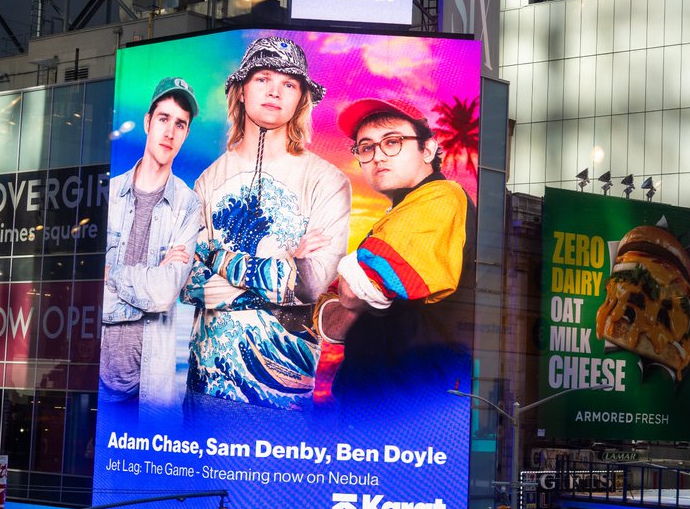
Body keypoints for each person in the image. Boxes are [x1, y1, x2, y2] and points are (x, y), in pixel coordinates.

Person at [181, 36, 351, 413]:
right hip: (204, 385)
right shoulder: (207, 181)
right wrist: (282, 264)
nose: (275, 91)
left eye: (288, 83)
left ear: (301, 98)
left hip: (283, 393)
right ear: (241, 91)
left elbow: (309, 285)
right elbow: (187, 281)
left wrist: (216, 259)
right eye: (263, 79)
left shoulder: (328, 180)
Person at [314, 97, 476, 403]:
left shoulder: (443, 195)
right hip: (365, 406)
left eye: (392, 142)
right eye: (366, 147)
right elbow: (329, 326)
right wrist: (354, 286)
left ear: (427, 150)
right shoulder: (392, 221)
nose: (377, 156)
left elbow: (357, 287)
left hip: (411, 409)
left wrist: (354, 289)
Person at [99, 77, 203, 404]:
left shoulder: (188, 204)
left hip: (149, 392)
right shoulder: (109, 195)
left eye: (180, 124)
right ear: (147, 122)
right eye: (163, 119)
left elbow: (163, 294)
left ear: (186, 134)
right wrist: (148, 278)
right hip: (97, 379)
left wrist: (112, 276)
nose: (170, 132)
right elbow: (89, 291)